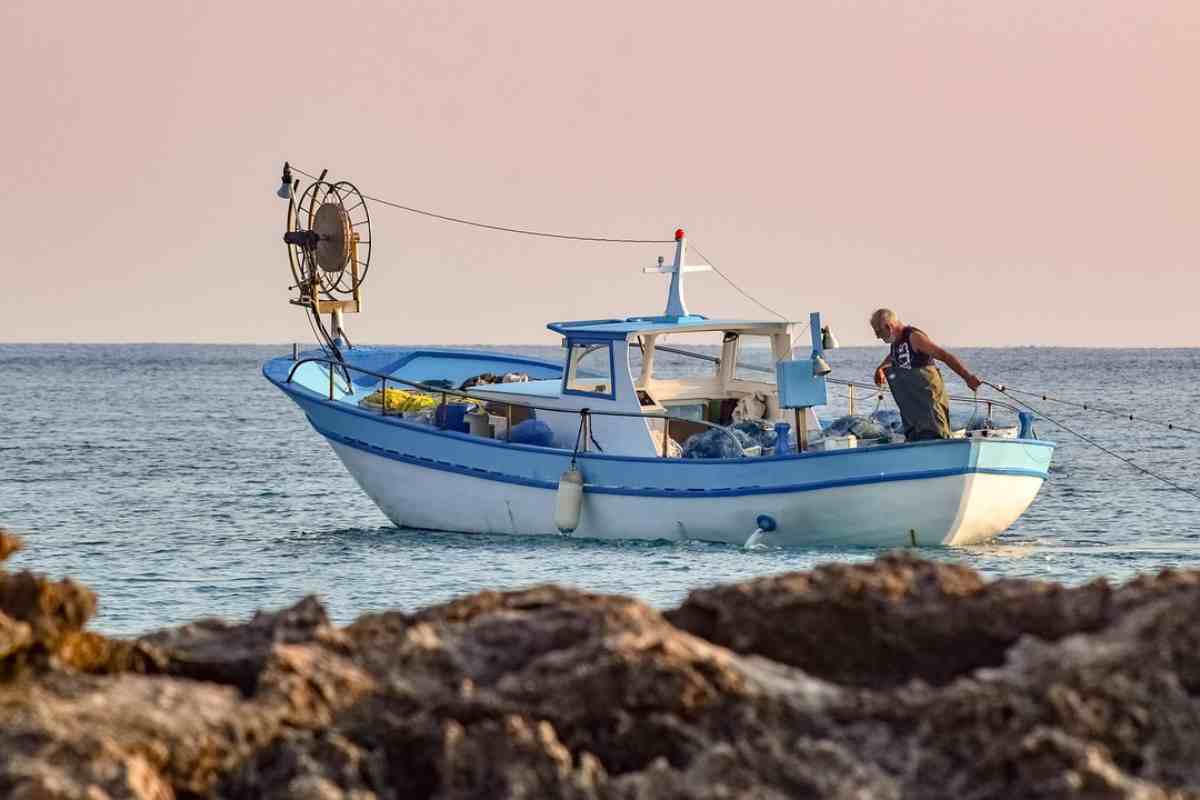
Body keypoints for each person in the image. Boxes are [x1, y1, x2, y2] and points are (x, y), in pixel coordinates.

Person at [869, 309, 982, 441]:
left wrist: (967, 377)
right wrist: (881, 368)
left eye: (879, 332)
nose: (878, 337)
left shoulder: (914, 337)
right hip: (912, 405)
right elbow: (893, 356)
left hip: (929, 400)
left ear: (889, 327)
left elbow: (944, 356)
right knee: (914, 434)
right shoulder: (896, 343)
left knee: (936, 432)